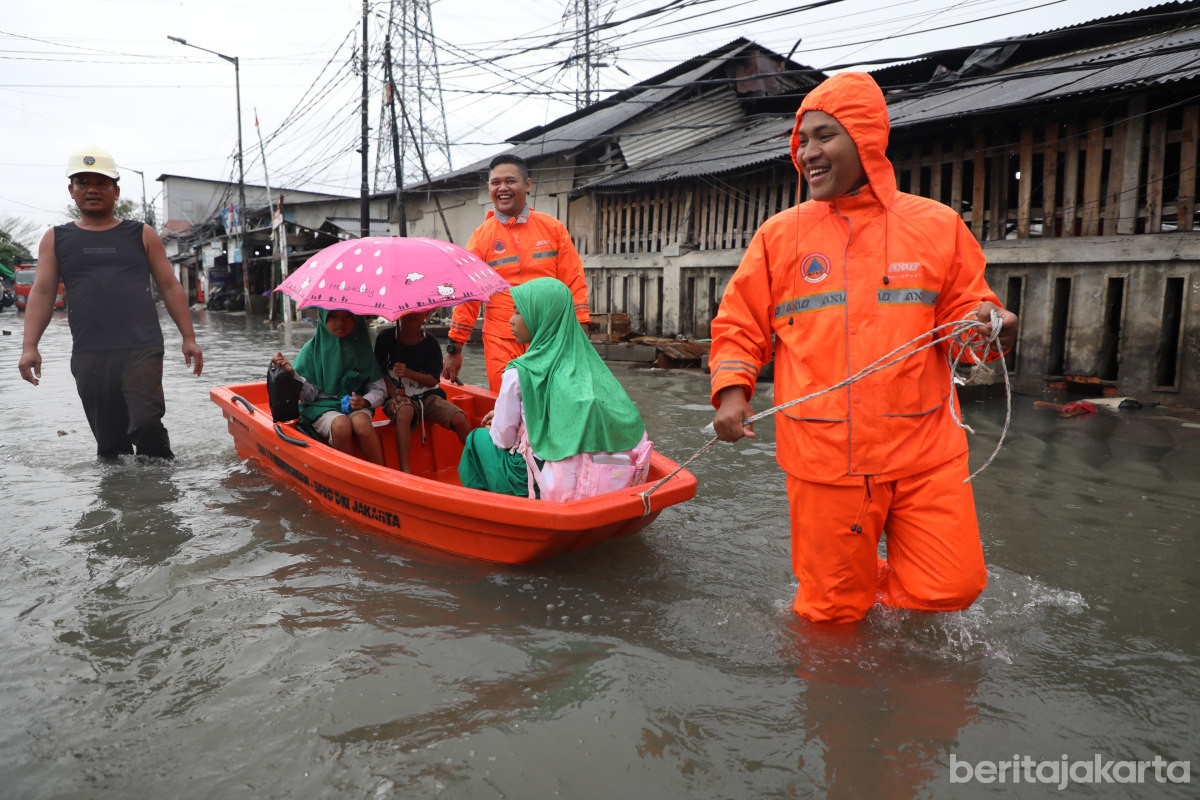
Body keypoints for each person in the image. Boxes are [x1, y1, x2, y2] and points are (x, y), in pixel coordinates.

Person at [708, 72, 1019, 624]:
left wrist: (991, 331)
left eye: (825, 136)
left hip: (925, 449)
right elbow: (739, 322)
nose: (808, 153)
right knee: (830, 616)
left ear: (867, 138)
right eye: (802, 140)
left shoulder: (936, 226)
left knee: (953, 587)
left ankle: (872, 586)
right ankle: (842, 658)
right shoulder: (780, 235)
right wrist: (733, 392)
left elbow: (965, 324)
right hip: (824, 458)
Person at [17, 145, 203, 460]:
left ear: (116, 191)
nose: (92, 189)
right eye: (83, 182)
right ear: (71, 191)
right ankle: (118, 498)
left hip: (141, 347)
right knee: (110, 445)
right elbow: (44, 291)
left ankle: (161, 491)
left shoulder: (142, 234)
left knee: (145, 422)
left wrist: (189, 337)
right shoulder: (56, 238)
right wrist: (29, 346)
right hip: (90, 352)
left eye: (102, 183)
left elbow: (170, 285)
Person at [458, 278, 651, 501]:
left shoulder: (519, 372)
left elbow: (503, 439)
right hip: (586, 477)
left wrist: (499, 421)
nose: (510, 320)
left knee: (476, 439)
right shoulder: (588, 366)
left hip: (531, 479)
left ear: (541, 317)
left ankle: (488, 507)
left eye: (518, 312)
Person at [442, 154, 590, 392]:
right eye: (495, 183)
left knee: (551, 400)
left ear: (527, 184)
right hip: (501, 338)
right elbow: (468, 296)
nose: (502, 188)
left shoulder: (553, 228)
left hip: (549, 335)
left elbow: (573, 280)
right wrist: (454, 347)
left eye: (510, 181)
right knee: (505, 402)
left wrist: (581, 325)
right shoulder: (481, 237)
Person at [271, 309, 387, 465]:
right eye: (333, 317)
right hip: (319, 407)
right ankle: (349, 475)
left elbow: (379, 390)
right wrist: (292, 375)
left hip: (355, 405)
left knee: (362, 424)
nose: (340, 323)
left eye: (347, 317)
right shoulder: (311, 350)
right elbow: (309, 395)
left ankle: (382, 472)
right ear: (323, 319)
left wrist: (365, 401)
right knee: (341, 425)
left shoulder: (363, 350)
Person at [373, 310, 469, 473]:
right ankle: (405, 469)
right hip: (396, 398)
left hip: (428, 396)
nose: (413, 314)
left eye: (420, 311)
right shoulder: (385, 339)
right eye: (408, 309)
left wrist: (408, 373)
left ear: (427, 314)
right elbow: (379, 372)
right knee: (404, 412)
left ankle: (479, 460)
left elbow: (433, 380)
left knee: (459, 417)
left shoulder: (430, 343)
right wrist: (394, 395)